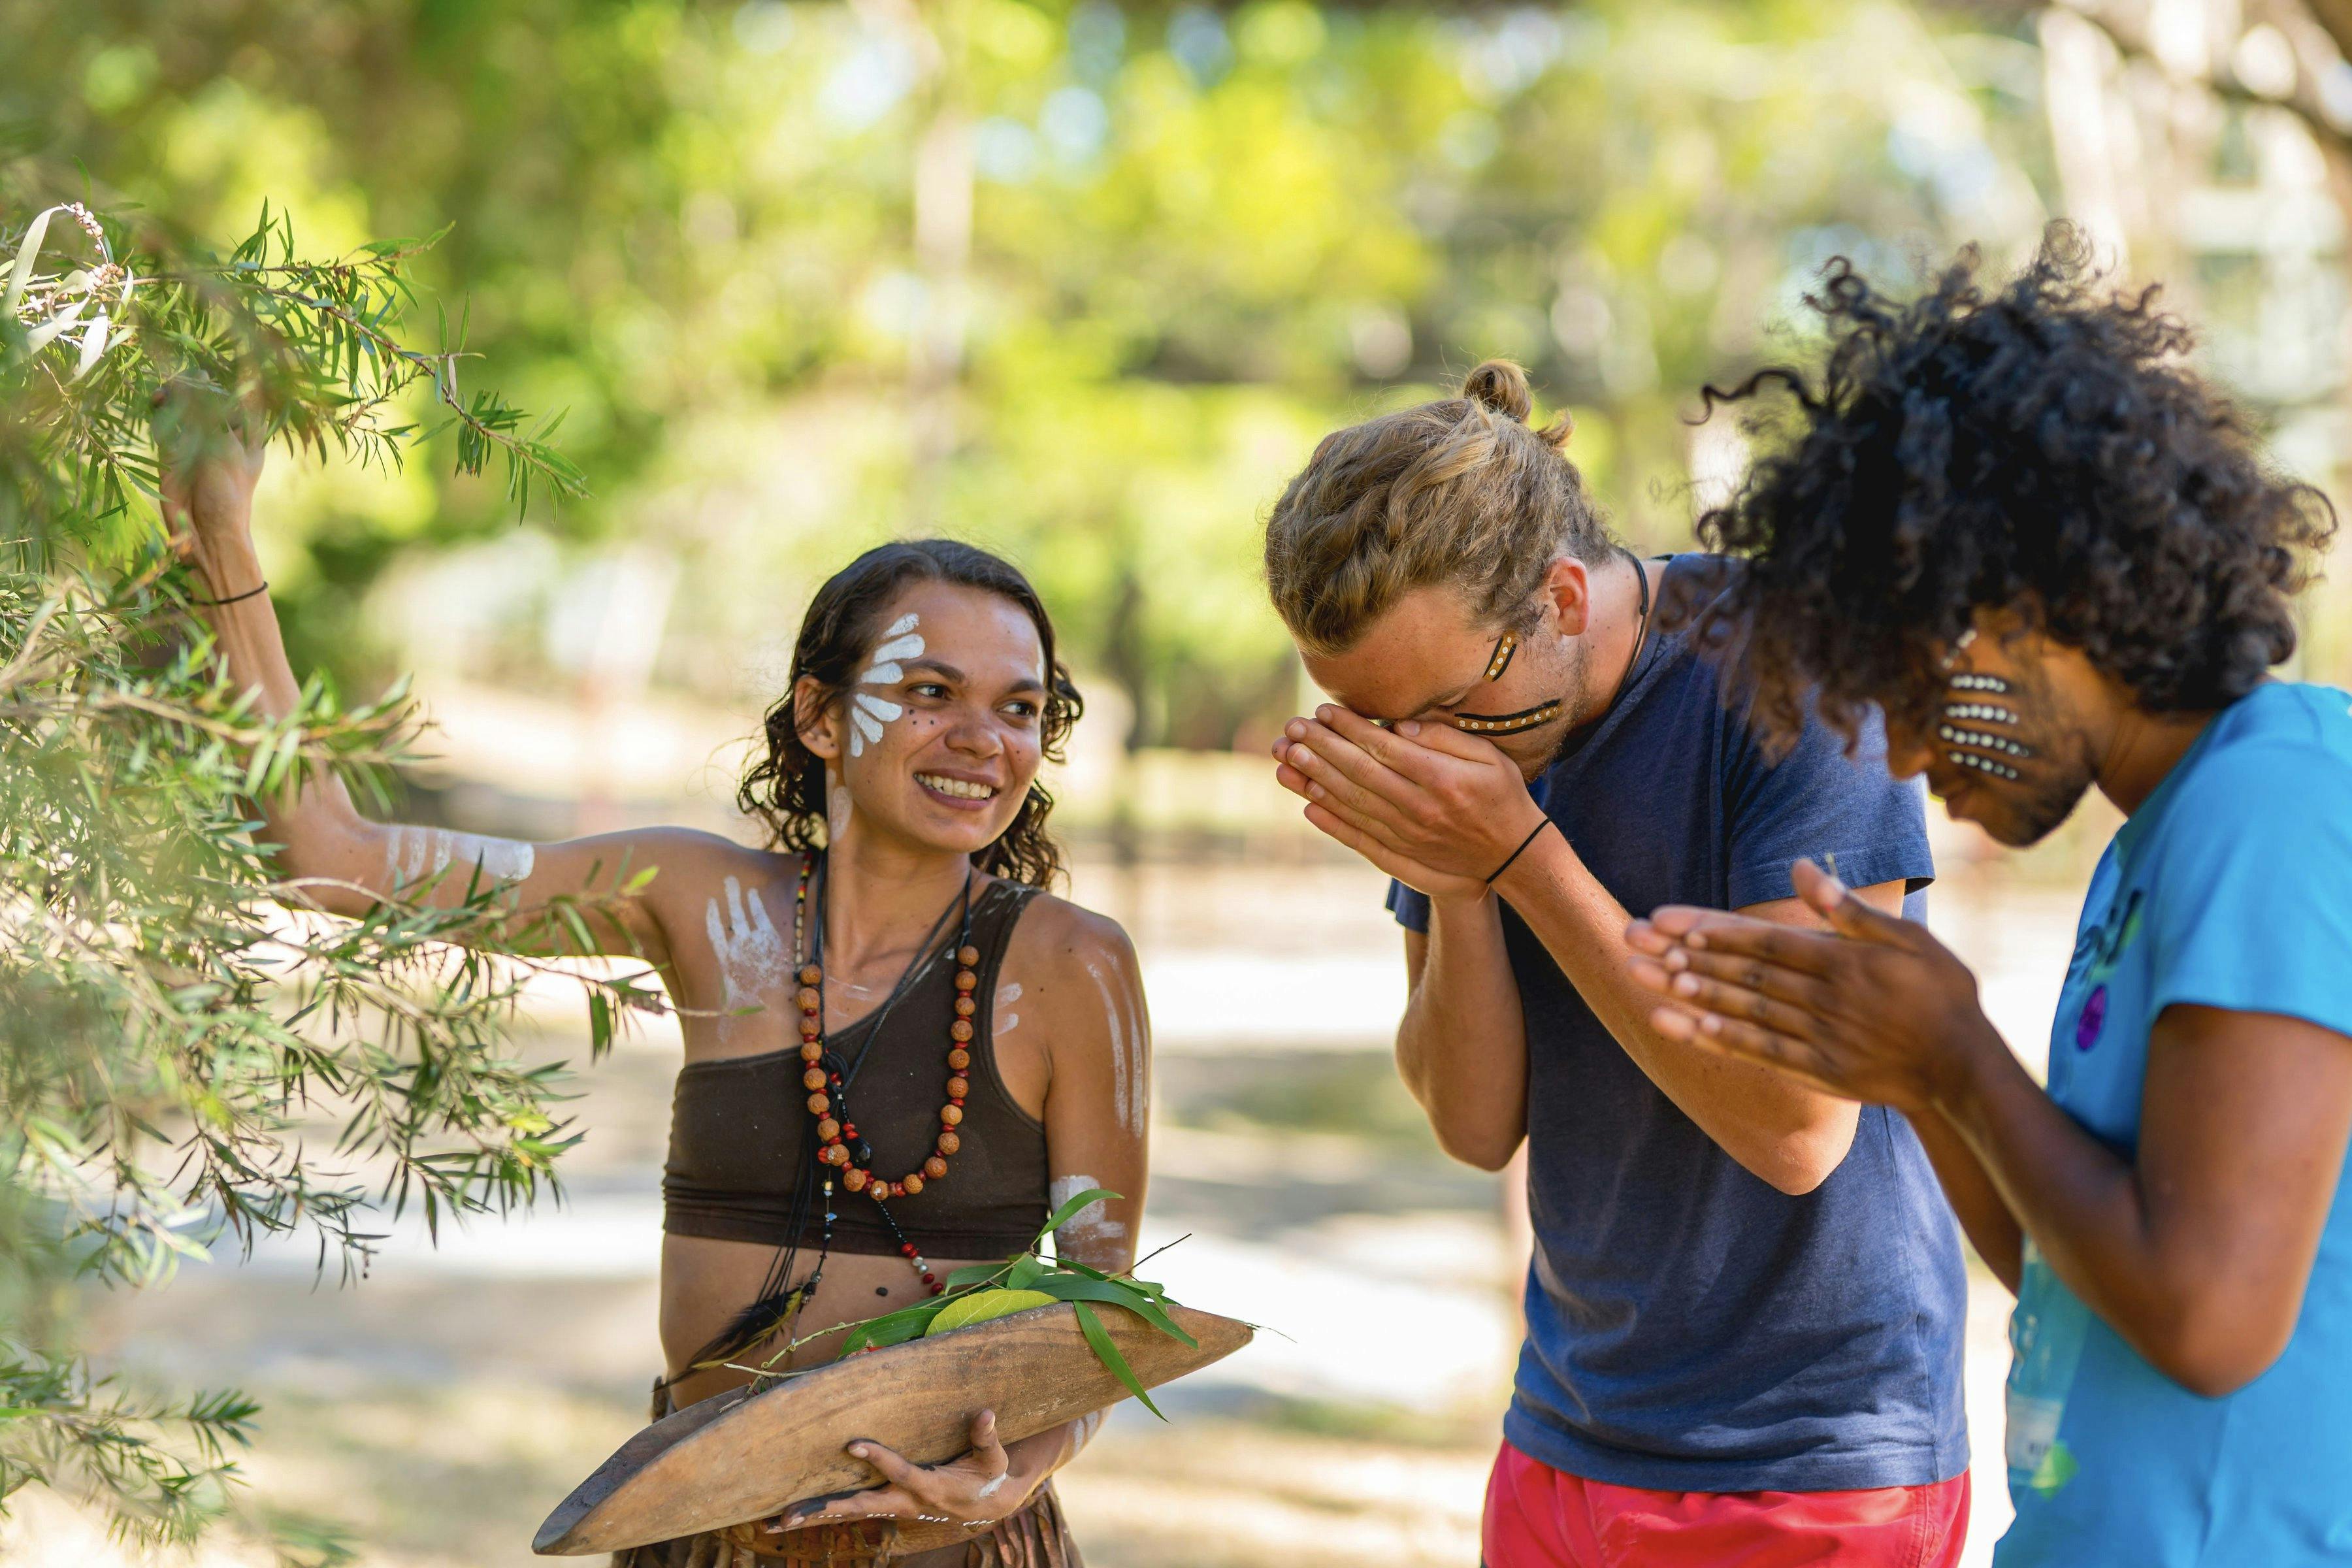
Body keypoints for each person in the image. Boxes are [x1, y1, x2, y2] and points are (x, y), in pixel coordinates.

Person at [161, 411, 1148, 1568]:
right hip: (703, 1529)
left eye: (1020, 708)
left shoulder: (1074, 966)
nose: (983, 739)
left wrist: (1016, 1473)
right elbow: (335, 857)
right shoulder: (696, 902)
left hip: (956, 1549)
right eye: (931, 691)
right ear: (824, 717)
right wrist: (224, 537)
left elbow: (1101, 1299)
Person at [1622, 233, 2352, 1565]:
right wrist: (1916, 1079)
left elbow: (2207, 1317)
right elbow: (2074, 1271)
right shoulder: (2161, 842)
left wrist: (1958, 1050)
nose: (1902, 753)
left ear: (2030, 604)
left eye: (1907, 684)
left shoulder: (2275, 805)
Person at [1260, 361, 1970, 1566]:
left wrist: (1524, 856)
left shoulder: (1798, 675)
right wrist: (1457, 883)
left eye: (1442, 711)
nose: (1418, 755)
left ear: (1564, 597)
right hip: (1570, 1428)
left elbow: (1798, 1130)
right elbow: (1477, 1127)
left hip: (1807, 1457)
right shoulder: (1466, 751)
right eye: (1377, 727)